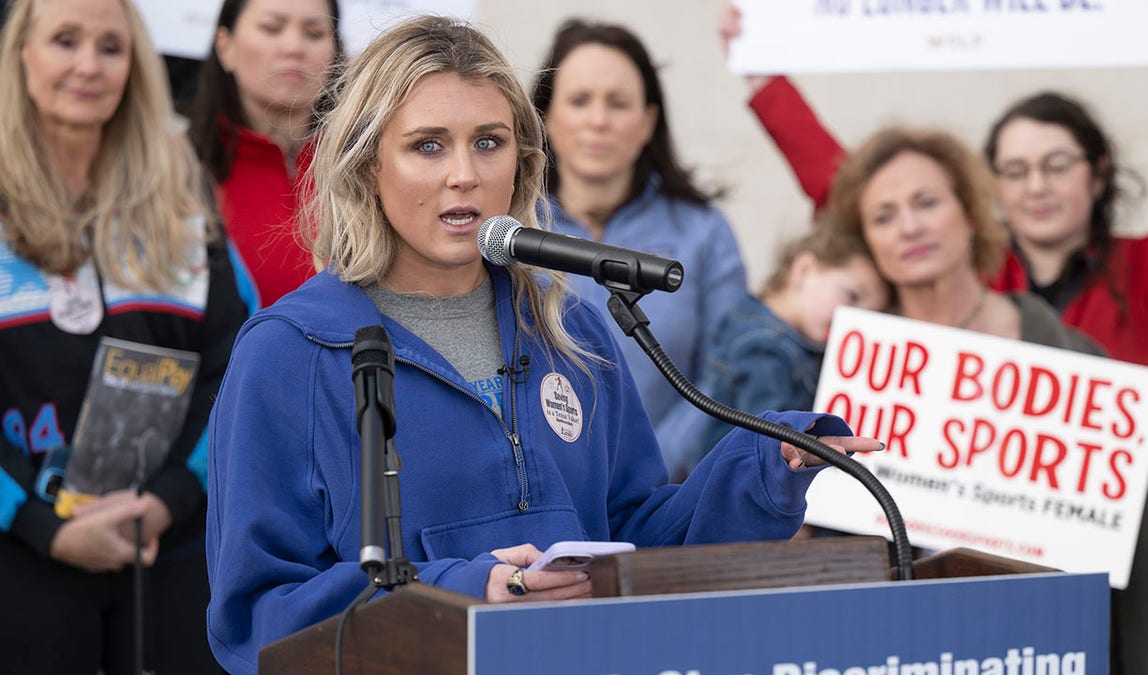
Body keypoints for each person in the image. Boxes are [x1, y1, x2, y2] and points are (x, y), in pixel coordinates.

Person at [204, 15, 881, 675]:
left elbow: (633, 535)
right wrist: (468, 591)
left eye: (490, 142)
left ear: (523, 162)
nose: (465, 173)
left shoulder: (570, 328)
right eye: (429, 145)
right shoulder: (288, 352)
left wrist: (766, 463)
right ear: (365, 163)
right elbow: (258, 615)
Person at [825, 126, 1148, 674]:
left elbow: (1139, 564)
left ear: (971, 213)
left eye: (926, 202)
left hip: (1055, 650)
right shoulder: (851, 372)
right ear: (867, 242)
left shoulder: (1078, 359)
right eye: (884, 216)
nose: (910, 226)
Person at [720, 2, 1148, 368]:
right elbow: (853, 188)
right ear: (988, 190)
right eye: (1014, 170)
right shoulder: (963, 263)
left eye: (1057, 165)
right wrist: (766, 74)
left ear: (1098, 173)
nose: (1036, 186)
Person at [0, 0, 247, 672]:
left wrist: (170, 497)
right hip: (19, 564)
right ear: (22, 52)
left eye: (110, 47)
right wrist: (40, 525)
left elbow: (240, 362)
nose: (88, 64)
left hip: (169, 554)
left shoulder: (181, 203)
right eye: (65, 40)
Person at [529, 19, 748, 434]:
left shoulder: (703, 232)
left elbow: (727, 373)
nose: (598, 120)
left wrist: (655, 470)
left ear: (648, 122)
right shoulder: (509, 230)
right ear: (546, 117)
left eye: (618, 103)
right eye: (579, 100)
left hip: (672, 489)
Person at [657, 226, 890, 479]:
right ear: (803, 269)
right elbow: (770, 440)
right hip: (732, 489)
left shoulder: (750, 319)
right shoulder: (765, 347)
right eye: (852, 296)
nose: (852, 320)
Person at [188, 0, 342, 308]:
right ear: (225, 46)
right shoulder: (179, 168)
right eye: (272, 28)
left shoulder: (368, 168)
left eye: (314, 33)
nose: (294, 48)